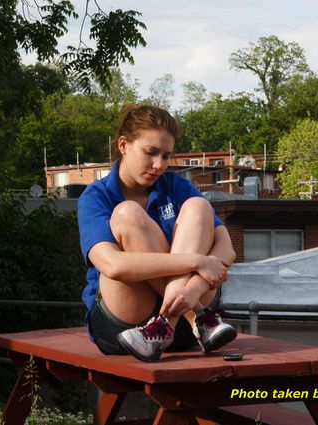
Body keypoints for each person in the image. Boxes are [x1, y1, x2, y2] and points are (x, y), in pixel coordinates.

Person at [77, 104, 237, 362]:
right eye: (151, 152)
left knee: (198, 206)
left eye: (166, 156)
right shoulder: (96, 197)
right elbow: (113, 265)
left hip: (187, 331)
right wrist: (196, 262)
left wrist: (194, 290)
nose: (159, 164)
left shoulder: (176, 186)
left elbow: (227, 248)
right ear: (123, 145)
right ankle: (196, 316)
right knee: (127, 213)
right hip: (126, 327)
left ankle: (165, 325)